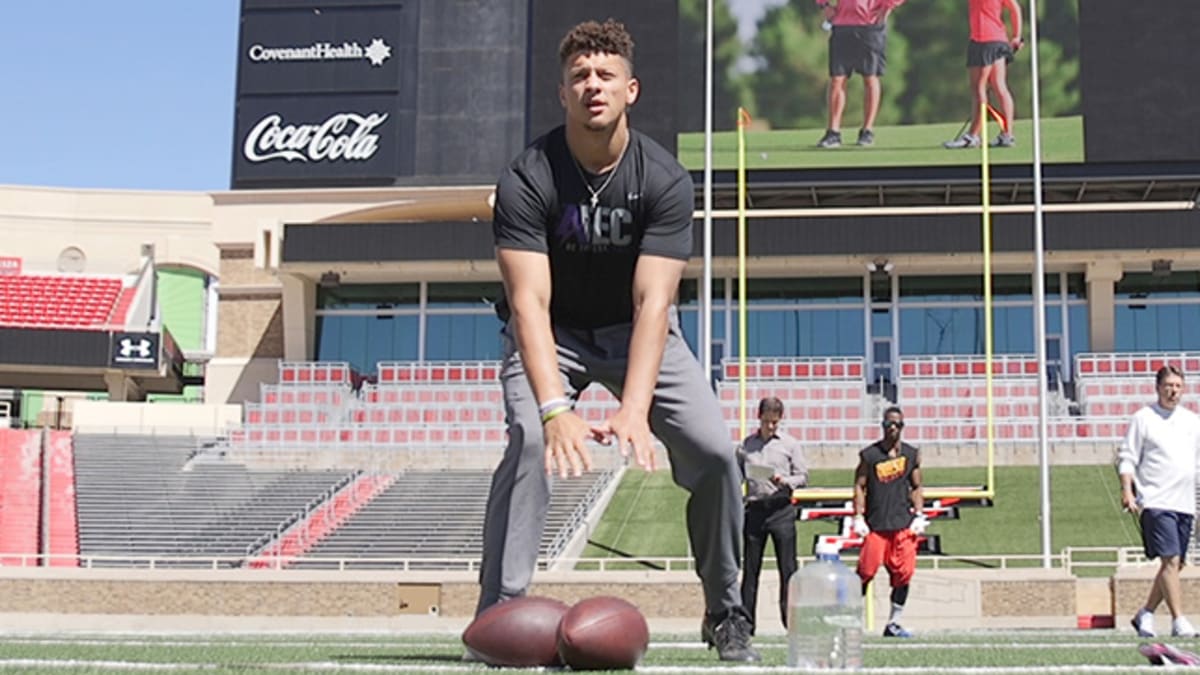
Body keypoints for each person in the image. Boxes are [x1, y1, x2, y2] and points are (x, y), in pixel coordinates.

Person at [475, 19, 759, 662]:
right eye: (580, 77)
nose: (592, 86)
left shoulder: (664, 178)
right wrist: (554, 410)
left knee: (716, 453)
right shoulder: (528, 176)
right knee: (526, 441)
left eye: (605, 75)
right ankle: (501, 612)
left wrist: (633, 408)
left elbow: (653, 301)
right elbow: (528, 303)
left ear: (631, 89)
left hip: (638, 333)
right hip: (556, 334)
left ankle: (725, 609)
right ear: (562, 93)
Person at [1119, 365, 1200, 639]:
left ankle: (1147, 613)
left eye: (1178, 386)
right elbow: (1128, 457)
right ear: (1158, 387)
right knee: (1170, 559)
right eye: (1168, 385)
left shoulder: (1192, 421)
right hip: (1156, 499)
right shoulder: (1144, 418)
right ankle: (1179, 620)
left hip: (1185, 502)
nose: (1173, 391)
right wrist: (1127, 491)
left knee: (1176, 566)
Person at [852, 406, 925, 638]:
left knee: (904, 574)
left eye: (897, 424)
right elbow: (859, 485)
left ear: (903, 426)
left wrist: (919, 513)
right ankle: (851, 619)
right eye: (888, 424)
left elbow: (917, 486)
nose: (892, 428)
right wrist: (858, 515)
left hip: (902, 524)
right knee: (864, 572)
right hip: (876, 525)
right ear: (882, 425)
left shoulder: (911, 454)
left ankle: (894, 622)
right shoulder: (870, 455)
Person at [738, 397, 808, 634]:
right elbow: (738, 475)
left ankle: (791, 622)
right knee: (750, 571)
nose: (771, 427)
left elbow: (803, 476)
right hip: (755, 510)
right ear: (759, 417)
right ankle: (746, 624)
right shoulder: (746, 445)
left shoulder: (790, 444)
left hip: (781, 509)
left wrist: (784, 481)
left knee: (788, 569)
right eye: (767, 422)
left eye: (775, 423)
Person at [814, 0, 907, 148]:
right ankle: (833, 133)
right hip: (842, 25)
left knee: (870, 78)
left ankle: (867, 131)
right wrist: (824, 5)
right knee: (837, 79)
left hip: (870, 25)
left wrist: (887, 7)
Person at [943, 0, 1023, 149]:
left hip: (983, 39)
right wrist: (1017, 36)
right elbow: (1015, 8)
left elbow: (1014, 8)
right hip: (998, 39)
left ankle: (973, 136)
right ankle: (1007, 135)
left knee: (978, 88)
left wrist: (1017, 36)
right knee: (999, 86)